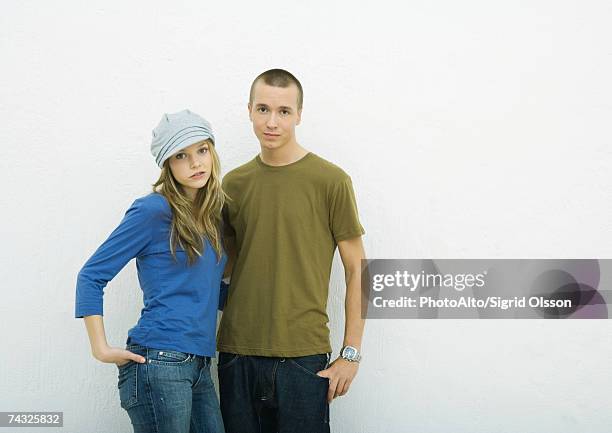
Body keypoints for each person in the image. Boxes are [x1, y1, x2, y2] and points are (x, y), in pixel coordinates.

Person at [217, 69, 367, 433]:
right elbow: (223, 267)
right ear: (249, 111)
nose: (272, 122)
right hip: (237, 353)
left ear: (299, 114)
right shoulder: (232, 184)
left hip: (303, 357)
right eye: (263, 109)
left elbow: (358, 270)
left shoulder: (330, 181)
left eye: (284, 111)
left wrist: (351, 354)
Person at [75, 109, 227, 433]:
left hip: (199, 364)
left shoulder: (211, 217)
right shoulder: (152, 210)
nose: (196, 162)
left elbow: (204, 291)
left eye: (202, 150)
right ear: (167, 164)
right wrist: (100, 348)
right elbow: (91, 276)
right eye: (181, 155)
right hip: (160, 360)